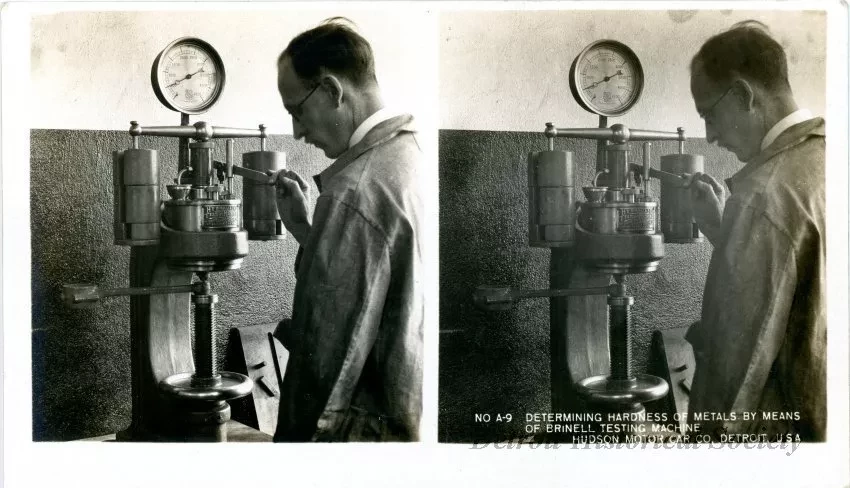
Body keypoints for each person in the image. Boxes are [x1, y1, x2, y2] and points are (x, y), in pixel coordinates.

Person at [268, 18, 423, 442]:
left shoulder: (352, 192)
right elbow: (387, 277)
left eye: (297, 111)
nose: (298, 132)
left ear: (333, 91)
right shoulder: (412, 157)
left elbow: (323, 377)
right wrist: (308, 230)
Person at [685, 21, 825, 441]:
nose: (709, 136)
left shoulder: (761, 195)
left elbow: (736, 370)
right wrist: (725, 232)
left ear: (745, 95)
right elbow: (805, 279)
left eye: (709, 114)